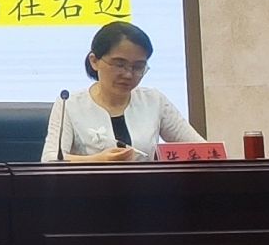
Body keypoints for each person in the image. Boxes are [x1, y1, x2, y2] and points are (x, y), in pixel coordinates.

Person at [42, 19, 201, 162]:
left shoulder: (154, 101)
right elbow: (50, 160)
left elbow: (202, 151)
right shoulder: (69, 104)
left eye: (138, 67)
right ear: (94, 61)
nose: (128, 74)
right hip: (90, 185)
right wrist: (97, 160)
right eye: (119, 65)